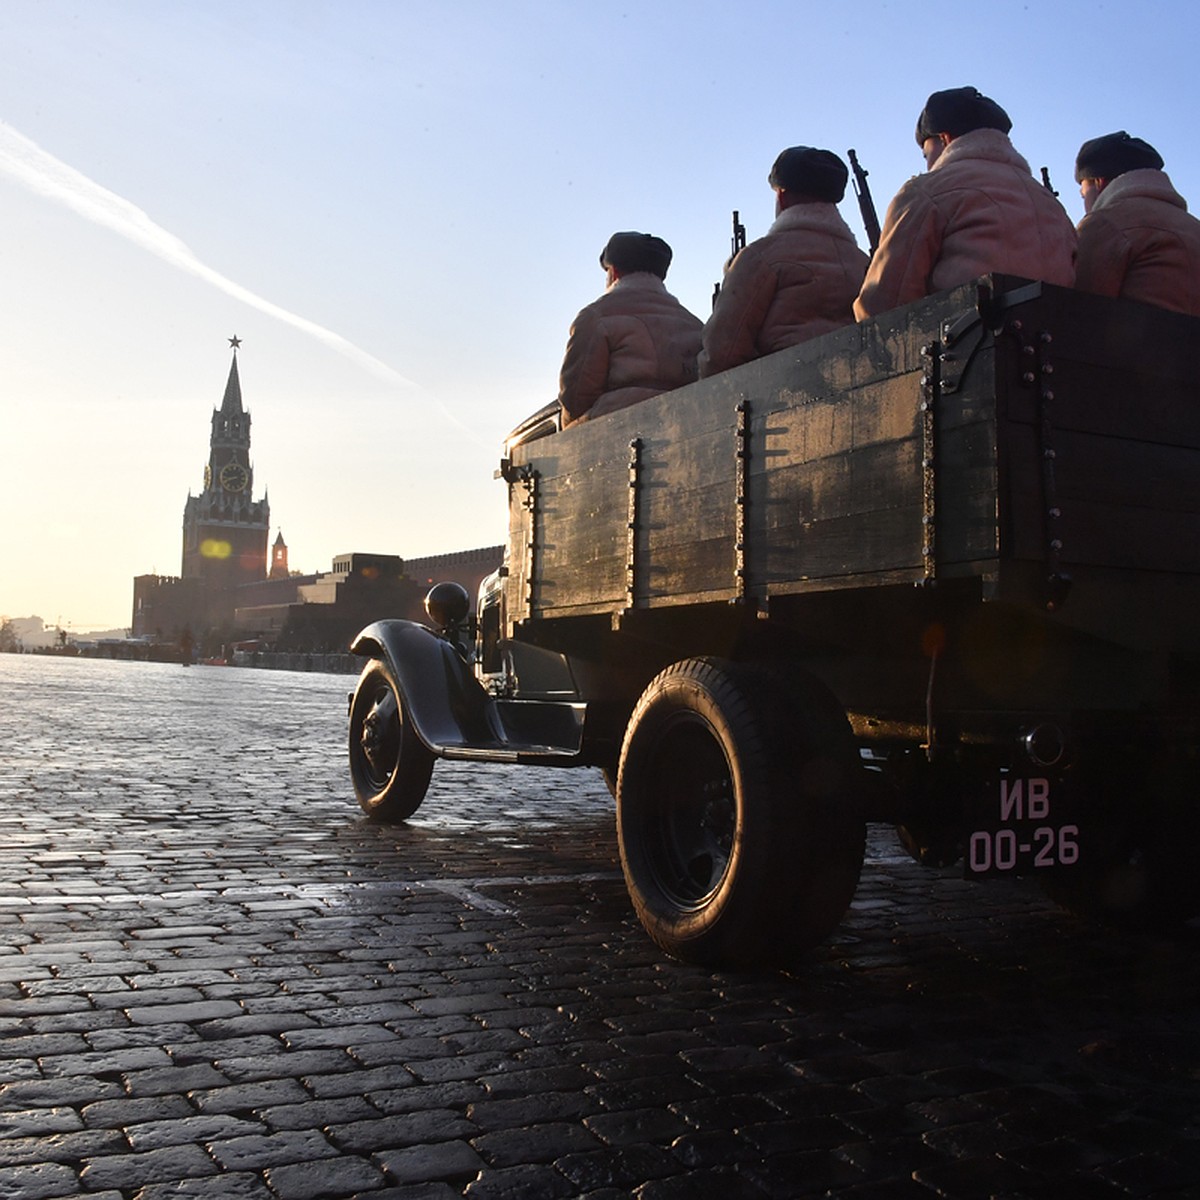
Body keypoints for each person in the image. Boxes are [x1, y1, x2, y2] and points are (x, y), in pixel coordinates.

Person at [854, 87, 1077, 320]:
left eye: (926, 154)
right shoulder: (1052, 204)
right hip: (1054, 346)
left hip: (967, 346)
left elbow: (884, 306)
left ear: (944, 138)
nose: (928, 164)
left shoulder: (927, 191)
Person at [699, 147, 868, 377]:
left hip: (784, 397)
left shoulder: (760, 257)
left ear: (782, 196)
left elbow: (721, 354)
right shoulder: (865, 263)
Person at [557, 232, 703, 427]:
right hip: (689, 425)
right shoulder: (695, 323)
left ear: (614, 272)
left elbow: (576, 401)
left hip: (618, 433)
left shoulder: (596, 316)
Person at [1073, 131, 1200, 317]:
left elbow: (1075, 306)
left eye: (1083, 194)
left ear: (1099, 182)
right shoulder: (1193, 227)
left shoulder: (1105, 223)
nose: (1084, 204)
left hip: (1139, 344)